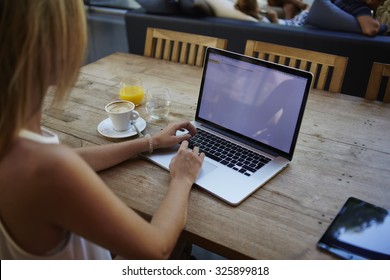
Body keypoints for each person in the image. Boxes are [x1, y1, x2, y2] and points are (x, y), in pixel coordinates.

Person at [0, 0, 204, 260]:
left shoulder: (18, 138)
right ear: (46, 47)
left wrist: (149, 142)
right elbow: (156, 249)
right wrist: (182, 178)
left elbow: (68, 162)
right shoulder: (47, 168)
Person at [235, 0, 310, 26]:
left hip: (287, 22)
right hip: (290, 25)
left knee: (290, 6)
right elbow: (277, 32)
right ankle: (298, 3)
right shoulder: (260, 21)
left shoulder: (257, 17)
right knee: (307, 9)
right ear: (256, 8)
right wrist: (275, 19)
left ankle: (297, 3)